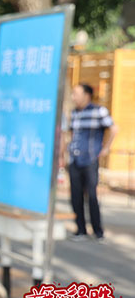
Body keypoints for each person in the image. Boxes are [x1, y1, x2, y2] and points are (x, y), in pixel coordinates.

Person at [61, 83, 118, 242]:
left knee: (91, 196)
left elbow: (114, 129)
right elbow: (71, 134)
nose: (73, 97)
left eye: (76, 93)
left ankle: (98, 231)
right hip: (75, 159)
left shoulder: (99, 111)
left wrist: (106, 148)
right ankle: (80, 230)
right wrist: (65, 153)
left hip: (90, 160)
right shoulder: (74, 113)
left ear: (86, 95)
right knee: (75, 196)